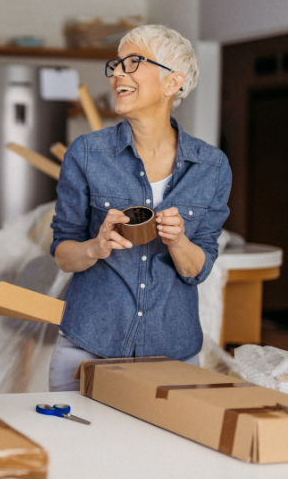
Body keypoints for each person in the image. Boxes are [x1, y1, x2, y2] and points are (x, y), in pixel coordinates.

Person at [48, 24, 231, 391]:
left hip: (172, 353)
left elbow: (199, 268)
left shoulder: (211, 167)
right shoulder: (86, 153)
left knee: (162, 450)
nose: (117, 73)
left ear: (171, 82)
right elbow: (63, 254)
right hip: (88, 347)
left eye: (132, 63)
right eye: (116, 64)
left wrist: (179, 241)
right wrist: (95, 247)